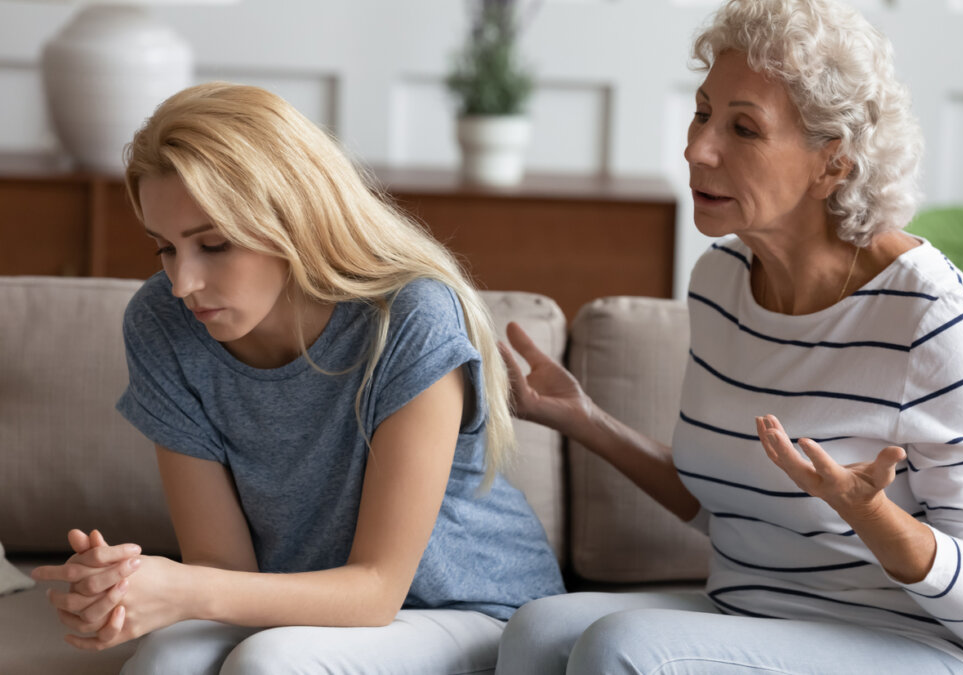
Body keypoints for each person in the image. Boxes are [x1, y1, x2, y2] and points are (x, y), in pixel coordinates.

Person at [493, 0, 963, 674]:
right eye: (703, 112)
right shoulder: (721, 282)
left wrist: (869, 514)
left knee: (619, 647)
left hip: (919, 646)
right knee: (537, 630)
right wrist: (584, 418)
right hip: (760, 618)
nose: (696, 148)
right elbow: (731, 507)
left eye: (743, 129)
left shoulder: (933, 320)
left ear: (832, 163)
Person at [31, 82, 564, 674]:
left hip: (478, 614)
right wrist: (124, 589)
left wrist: (181, 589)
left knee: (270, 663)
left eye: (213, 245)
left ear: (293, 217)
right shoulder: (162, 323)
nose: (183, 283)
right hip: (296, 611)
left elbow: (377, 590)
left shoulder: (409, 315)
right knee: (165, 662)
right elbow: (225, 571)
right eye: (165, 248)